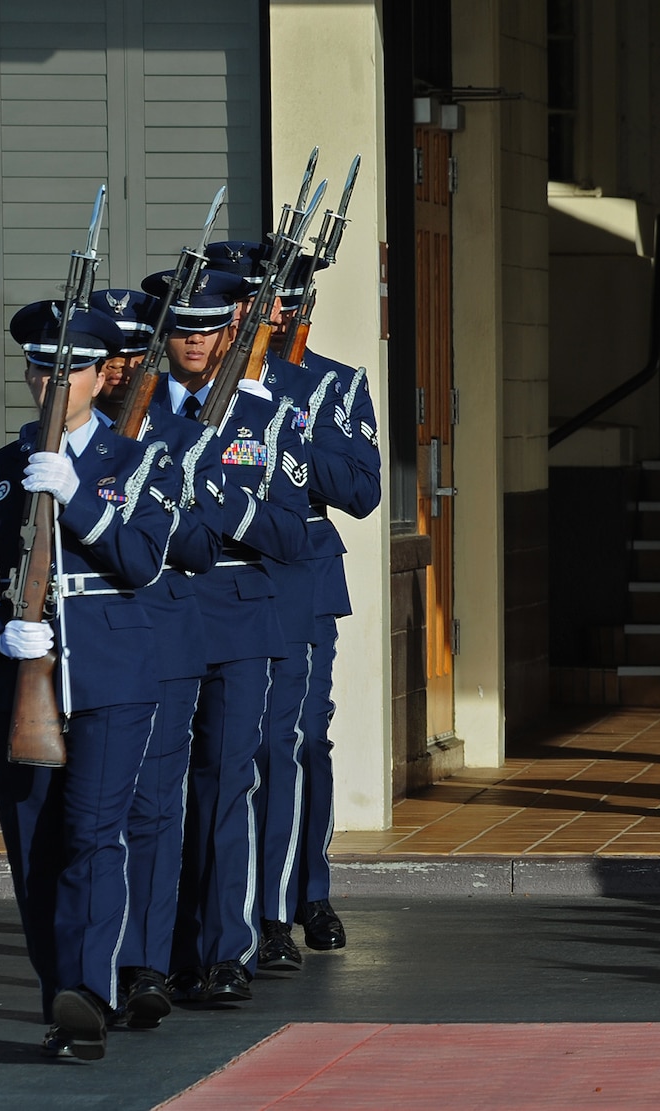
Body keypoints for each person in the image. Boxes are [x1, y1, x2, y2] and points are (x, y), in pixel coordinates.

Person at [0, 302, 177, 1059]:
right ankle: (63, 1001)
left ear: (101, 375)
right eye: (42, 367)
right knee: (36, 845)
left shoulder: (138, 461)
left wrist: (75, 494)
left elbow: (142, 561)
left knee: (92, 835)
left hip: (113, 673)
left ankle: (90, 988)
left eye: (70, 368)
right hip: (22, 682)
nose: (53, 380)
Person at [140, 266, 312, 1006]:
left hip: (240, 610)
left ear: (230, 332)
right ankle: (149, 957)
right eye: (181, 327)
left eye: (208, 327)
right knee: (153, 793)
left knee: (225, 784)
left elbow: (291, 533)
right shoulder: (135, 414)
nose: (194, 341)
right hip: (163, 609)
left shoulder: (264, 416)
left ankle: (222, 950)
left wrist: (220, 504)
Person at [89, 287, 225, 1029]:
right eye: (103, 358)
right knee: (90, 816)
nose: (116, 371)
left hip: (164, 639)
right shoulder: (62, 443)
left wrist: (149, 506)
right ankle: (89, 965)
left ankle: (146, 963)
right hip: (88, 644)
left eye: (128, 356)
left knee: (151, 807)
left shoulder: (180, 436)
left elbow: (202, 545)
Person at [258, 251, 381, 957]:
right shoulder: (215, 384)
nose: (278, 311)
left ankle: (309, 891)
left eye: (287, 299)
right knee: (248, 745)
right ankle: (257, 907)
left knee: (301, 739)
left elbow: (363, 493)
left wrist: (294, 431)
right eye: (266, 299)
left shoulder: (335, 385)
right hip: (225, 576)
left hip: (303, 575)